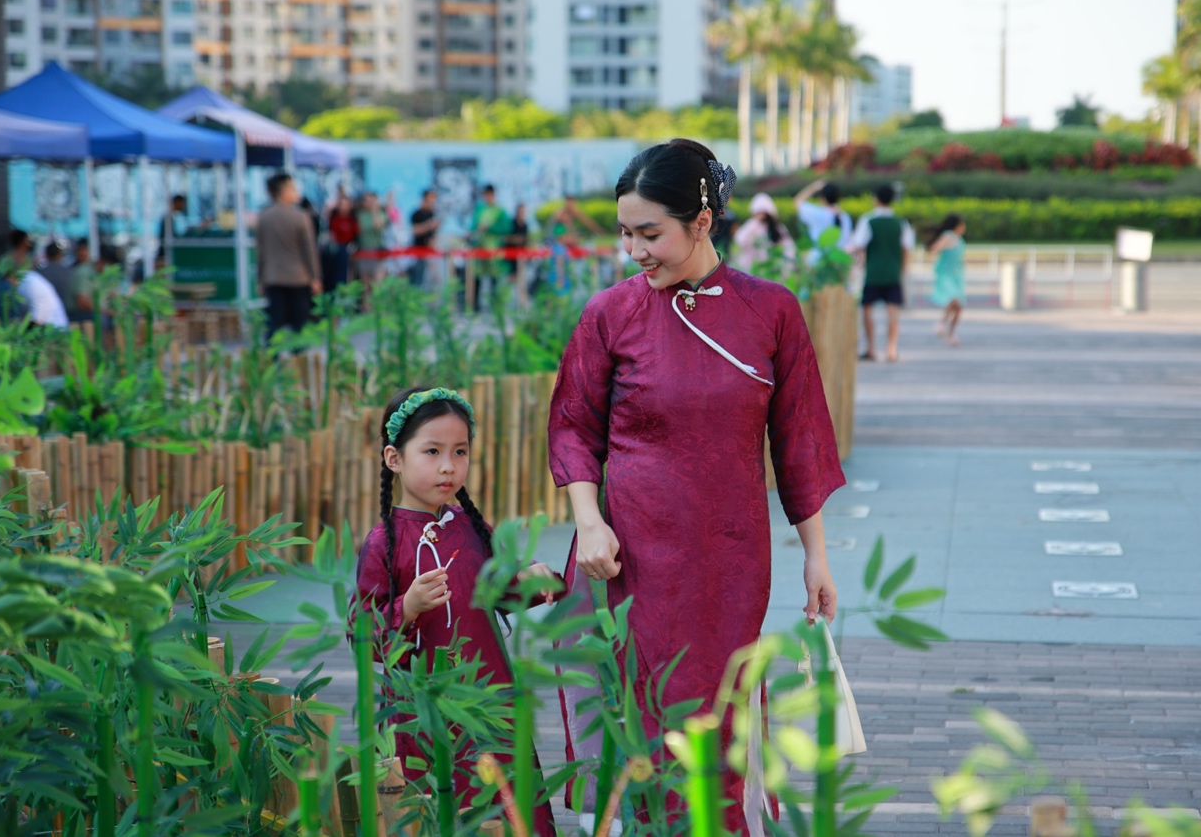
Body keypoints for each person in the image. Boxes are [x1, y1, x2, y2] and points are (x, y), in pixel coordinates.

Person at [548, 138, 844, 836]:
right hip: (631, 553)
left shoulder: (770, 310)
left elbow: (797, 440)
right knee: (644, 709)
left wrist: (816, 555)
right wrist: (588, 521)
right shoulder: (609, 313)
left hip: (729, 555)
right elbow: (573, 426)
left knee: (720, 706)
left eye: (649, 234)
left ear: (702, 222)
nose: (633, 251)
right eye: (625, 234)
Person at [353, 386, 561, 837]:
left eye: (460, 451)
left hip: (489, 697)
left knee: (508, 800)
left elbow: (497, 590)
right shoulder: (384, 543)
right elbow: (362, 638)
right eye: (432, 451)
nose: (448, 466)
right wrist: (406, 608)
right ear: (394, 458)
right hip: (423, 708)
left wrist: (529, 579)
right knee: (438, 808)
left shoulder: (471, 527)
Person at [849, 184, 915, 362]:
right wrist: (903, 269)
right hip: (893, 273)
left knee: (867, 309)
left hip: (873, 272)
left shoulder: (868, 221)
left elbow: (859, 245)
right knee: (893, 310)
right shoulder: (901, 222)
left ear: (876, 199)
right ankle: (891, 349)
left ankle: (871, 348)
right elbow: (907, 248)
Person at [256, 172, 322, 336]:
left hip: (273, 277)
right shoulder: (301, 217)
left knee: (275, 322)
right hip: (299, 278)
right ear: (284, 192)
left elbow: (261, 252)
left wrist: (261, 279)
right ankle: (296, 351)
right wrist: (315, 277)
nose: (296, 192)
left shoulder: (263, 217)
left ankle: (272, 350)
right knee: (298, 324)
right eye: (293, 188)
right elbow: (309, 251)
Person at [465, 184, 512, 311]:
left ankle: (496, 307)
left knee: (494, 279)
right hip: (479, 250)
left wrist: (490, 228)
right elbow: (473, 226)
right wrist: (471, 234)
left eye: (489, 194)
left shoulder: (500, 211)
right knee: (477, 278)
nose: (488, 197)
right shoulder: (480, 209)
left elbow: (506, 228)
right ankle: (474, 307)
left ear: (493, 195)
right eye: (486, 195)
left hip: (494, 251)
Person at [544, 195, 604, 292]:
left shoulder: (573, 212)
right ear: (566, 202)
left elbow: (586, 221)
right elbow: (555, 234)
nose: (572, 205)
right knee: (560, 256)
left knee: (589, 251)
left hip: (567, 242)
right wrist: (572, 239)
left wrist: (598, 230)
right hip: (556, 243)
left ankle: (591, 280)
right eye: (570, 202)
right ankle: (561, 283)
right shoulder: (561, 214)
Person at [731, 192, 796, 276]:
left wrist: (787, 267)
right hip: (753, 267)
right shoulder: (751, 226)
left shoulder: (778, 228)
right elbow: (740, 240)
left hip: (773, 267)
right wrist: (754, 222)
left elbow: (788, 248)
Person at [928, 213, 968, 346]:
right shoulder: (949, 236)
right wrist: (941, 246)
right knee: (954, 300)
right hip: (946, 275)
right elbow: (934, 248)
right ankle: (941, 324)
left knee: (958, 307)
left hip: (957, 276)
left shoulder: (959, 239)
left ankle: (951, 333)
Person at [793, 178, 852, 248]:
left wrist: (814, 187)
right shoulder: (845, 216)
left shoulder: (818, 213)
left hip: (819, 253)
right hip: (839, 253)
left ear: (823, 198)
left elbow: (797, 201)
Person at [355, 192, 388, 301]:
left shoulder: (381, 214)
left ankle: (378, 309)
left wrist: (375, 211)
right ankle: (366, 308)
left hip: (376, 253)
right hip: (363, 252)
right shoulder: (360, 215)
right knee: (365, 286)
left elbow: (377, 225)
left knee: (378, 285)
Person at [324, 193, 359, 293]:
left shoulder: (353, 219)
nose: (344, 207)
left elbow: (356, 234)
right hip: (336, 252)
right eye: (342, 204)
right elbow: (331, 234)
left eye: (346, 204)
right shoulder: (334, 219)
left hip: (349, 251)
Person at [410, 189, 440, 289]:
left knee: (433, 282)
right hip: (418, 252)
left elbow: (433, 235)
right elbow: (415, 231)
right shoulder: (416, 214)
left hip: (430, 253)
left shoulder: (433, 214)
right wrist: (429, 225)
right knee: (418, 281)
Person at [37, 241, 76, 315]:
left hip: (45, 312)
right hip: (67, 312)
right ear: (60, 255)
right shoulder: (69, 272)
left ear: (46, 255)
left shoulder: (39, 273)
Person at [67, 238, 98, 323]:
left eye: (85, 249)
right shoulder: (83, 270)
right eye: (80, 250)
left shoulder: (90, 269)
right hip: (77, 314)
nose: (82, 253)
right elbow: (82, 302)